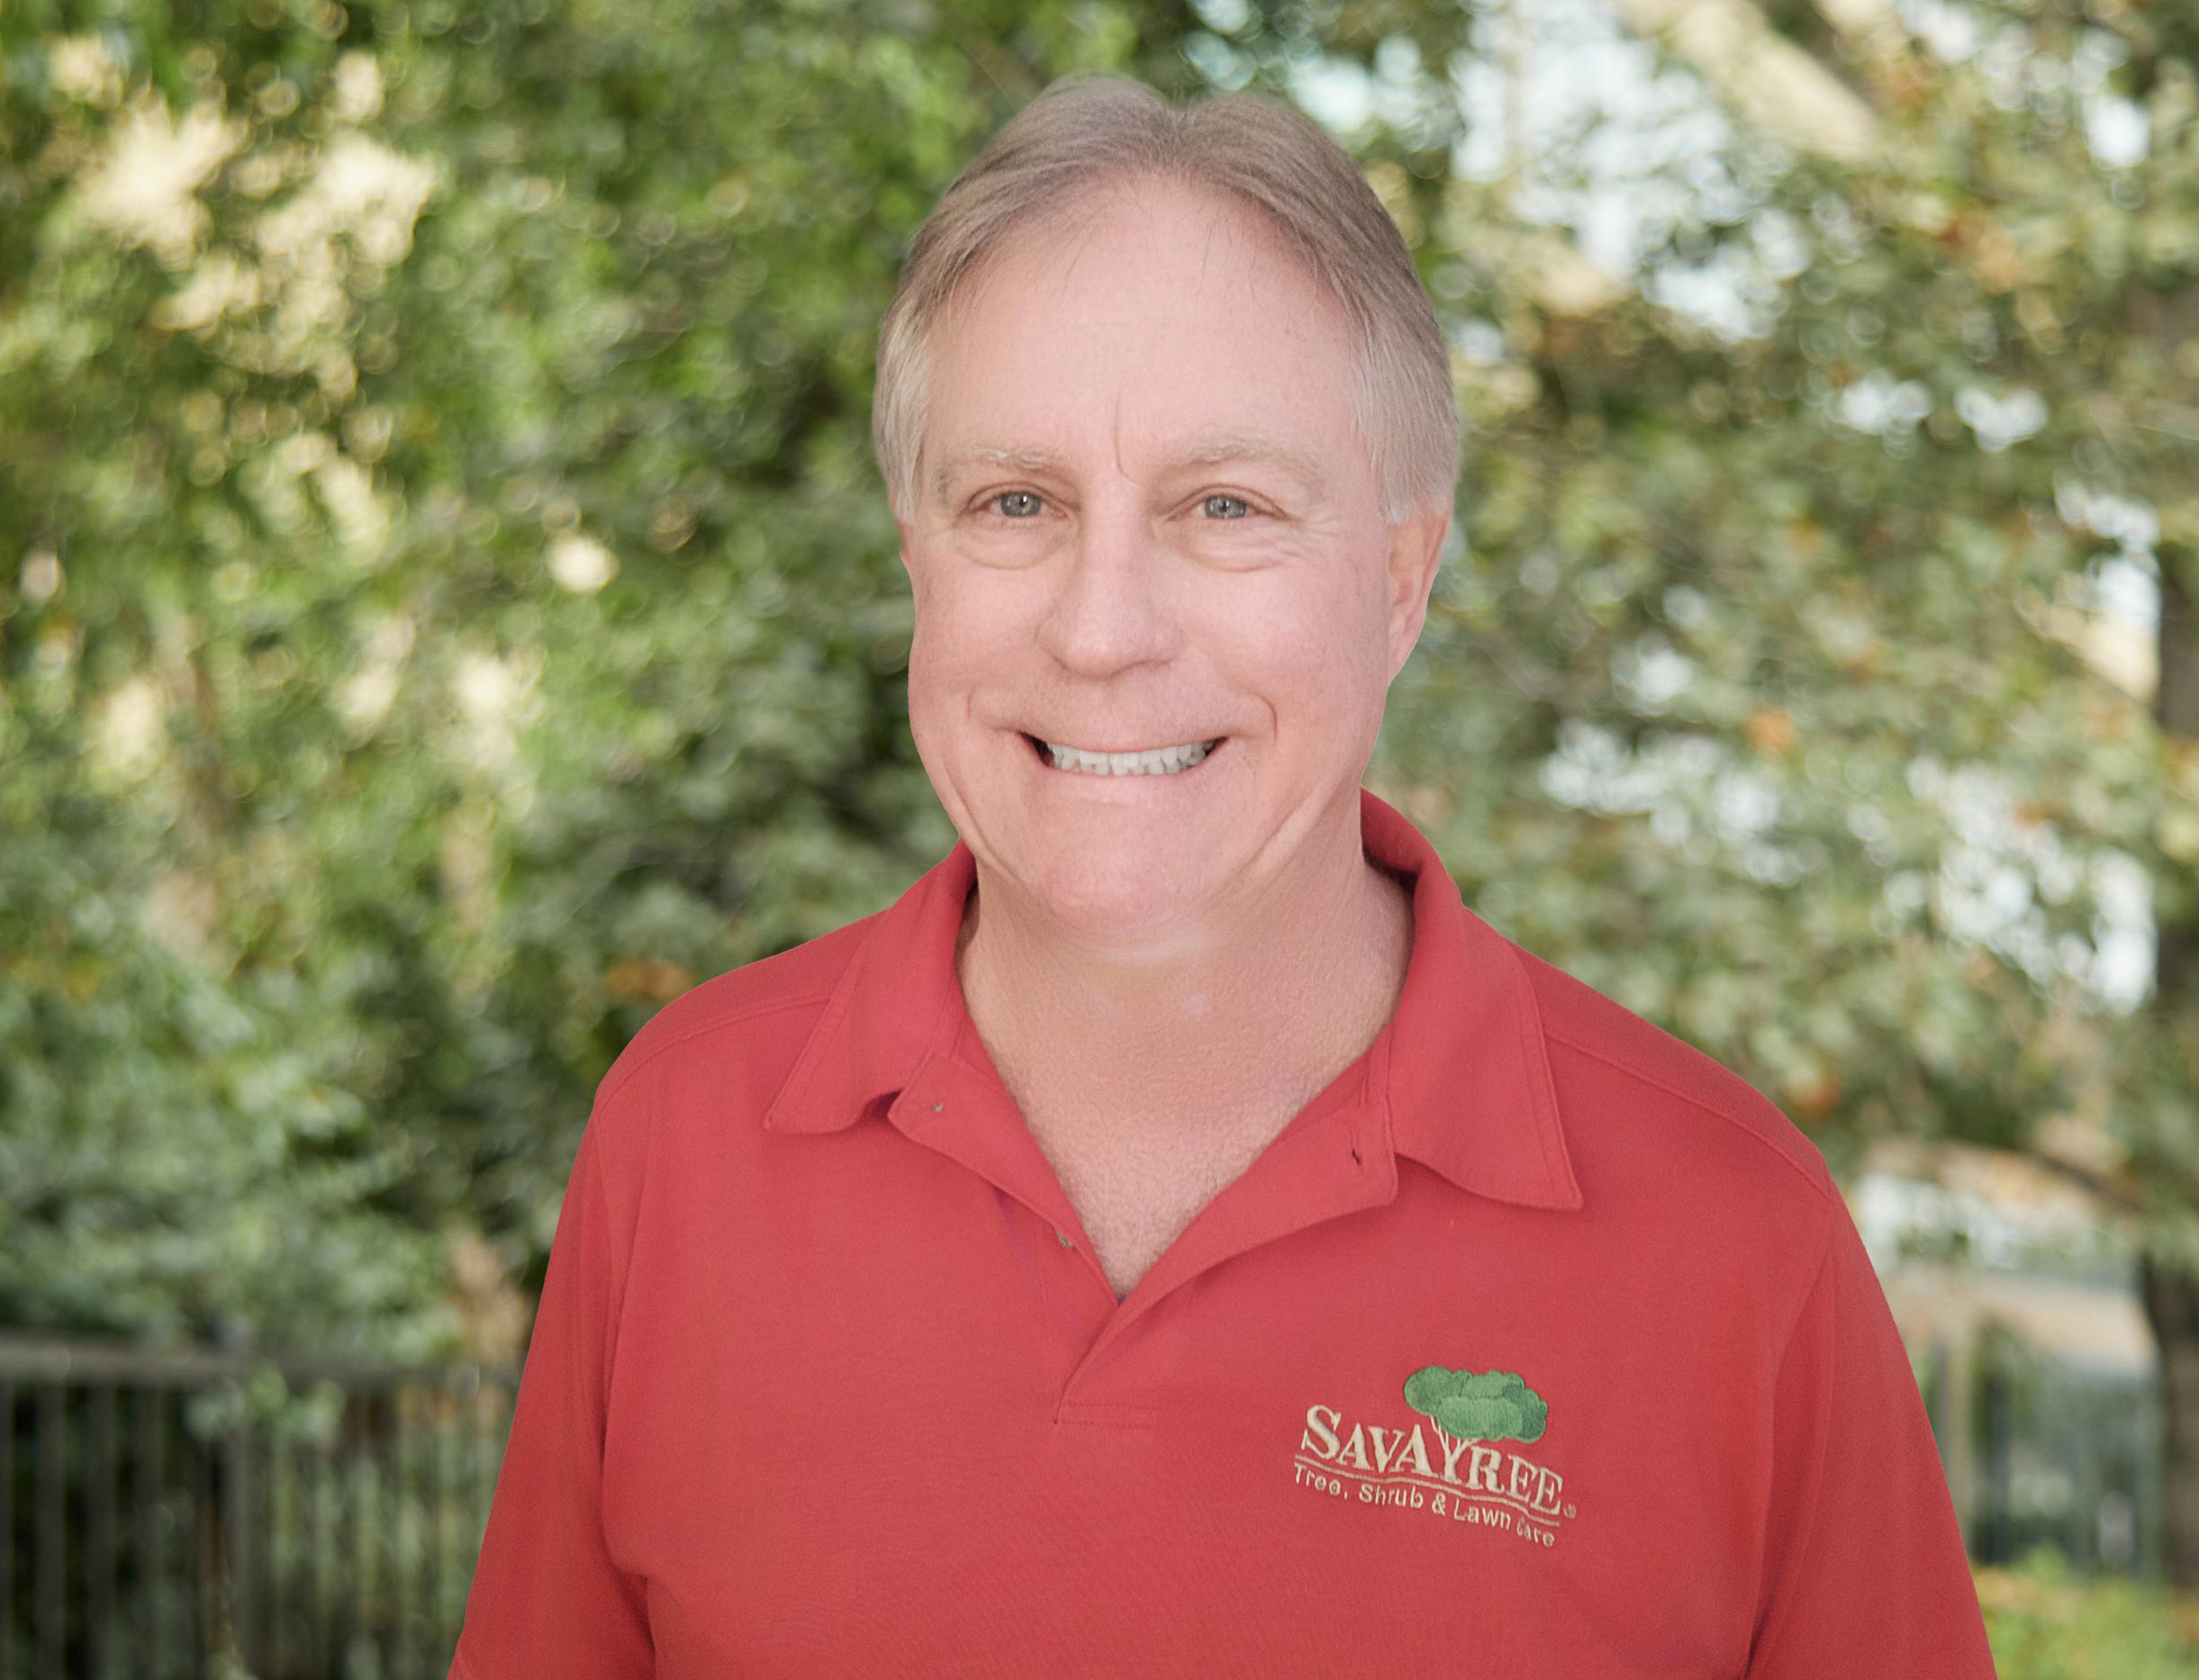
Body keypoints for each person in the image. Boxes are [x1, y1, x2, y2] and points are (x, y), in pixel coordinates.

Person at [449, 70, 1995, 1678]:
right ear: (917, 553)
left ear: (1401, 578)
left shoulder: (1736, 1246)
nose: (1103, 628)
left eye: (1226, 506)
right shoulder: (683, 1138)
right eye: (1017, 502)